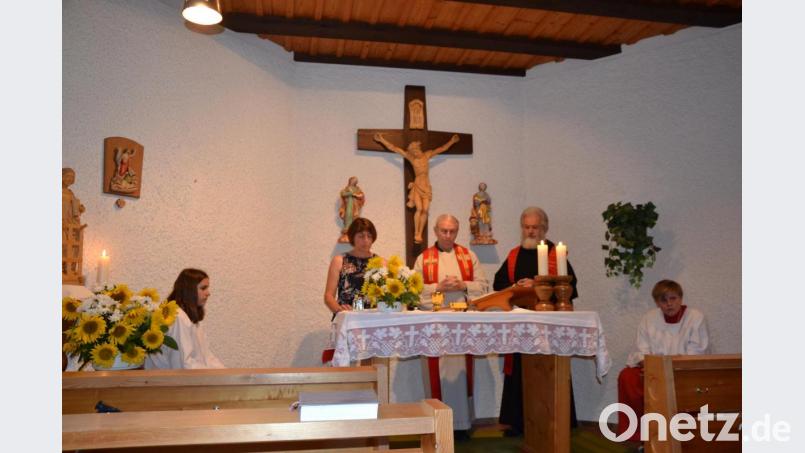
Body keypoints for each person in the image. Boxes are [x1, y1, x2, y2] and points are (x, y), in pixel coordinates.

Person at [492, 206, 579, 435]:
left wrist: (539, 285)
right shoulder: (513, 255)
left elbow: (570, 288)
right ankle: (519, 423)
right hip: (520, 325)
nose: (531, 231)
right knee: (520, 374)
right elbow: (498, 285)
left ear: (545, 228)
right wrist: (516, 287)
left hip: (547, 325)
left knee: (549, 371)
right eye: (527, 227)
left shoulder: (555, 255)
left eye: (535, 227)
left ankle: (555, 420)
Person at [413, 214, 489, 434]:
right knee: (436, 374)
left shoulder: (468, 256)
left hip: (462, 324)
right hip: (434, 324)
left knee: (460, 373)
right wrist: (438, 286)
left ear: (457, 231)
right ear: (436, 231)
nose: (448, 235)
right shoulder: (423, 258)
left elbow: (483, 287)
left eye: (452, 231)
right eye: (444, 231)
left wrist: (463, 284)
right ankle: (436, 424)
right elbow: (413, 292)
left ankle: (462, 425)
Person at [617, 279, 709, 442]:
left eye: (673, 298)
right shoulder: (649, 318)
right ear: (657, 302)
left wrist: (667, 367)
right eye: (663, 300)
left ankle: (681, 435)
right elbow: (641, 349)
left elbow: (696, 352)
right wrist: (648, 364)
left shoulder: (695, 317)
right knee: (627, 377)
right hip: (653, 368)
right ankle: (640, 435)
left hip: (682, 370)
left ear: (681, 298)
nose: (669, 304)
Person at [373, 132, 460, 244]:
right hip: (418, 184)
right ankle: (417, 233)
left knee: (425, 209)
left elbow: (441, 149)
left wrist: (452, 141)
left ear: (419, 149)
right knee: (419, 209)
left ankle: (420, 232)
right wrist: (382, 140)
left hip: (426, 185)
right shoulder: (412, 159)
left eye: (416, 150)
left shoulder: (427, 155)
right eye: (413, 151)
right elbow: (395, 148)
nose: (415, 152)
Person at [145, 268, 225, 369]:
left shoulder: (191, 318)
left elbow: (207, 358)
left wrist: (227, 376)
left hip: (186, 380)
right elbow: (183, 365)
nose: (208, 293)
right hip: (168, 382)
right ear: (189, 290)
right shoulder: (178, 317)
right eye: (203, 288)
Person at [324, 217, 378, 315]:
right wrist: (339, 310)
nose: (366, 240)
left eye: (369, 236)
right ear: (352, 237)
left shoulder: (381, 263)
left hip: (373, 319)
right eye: (361, 236)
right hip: (348, 318)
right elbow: (328, 296)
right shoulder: (339, 261)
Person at [338, 176, 366, 243]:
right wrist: (350, 193)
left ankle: (352, 233)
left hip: (355, 206)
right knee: (348, 216)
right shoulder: (347, 188)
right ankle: (346, 233)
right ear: (350, 181)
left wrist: (356, 195)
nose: (354, 182)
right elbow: (343, 194)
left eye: (355, 181)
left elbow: (361, 195)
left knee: (355, 217)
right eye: (353, 181)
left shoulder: (357, 189)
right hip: (348, 205)